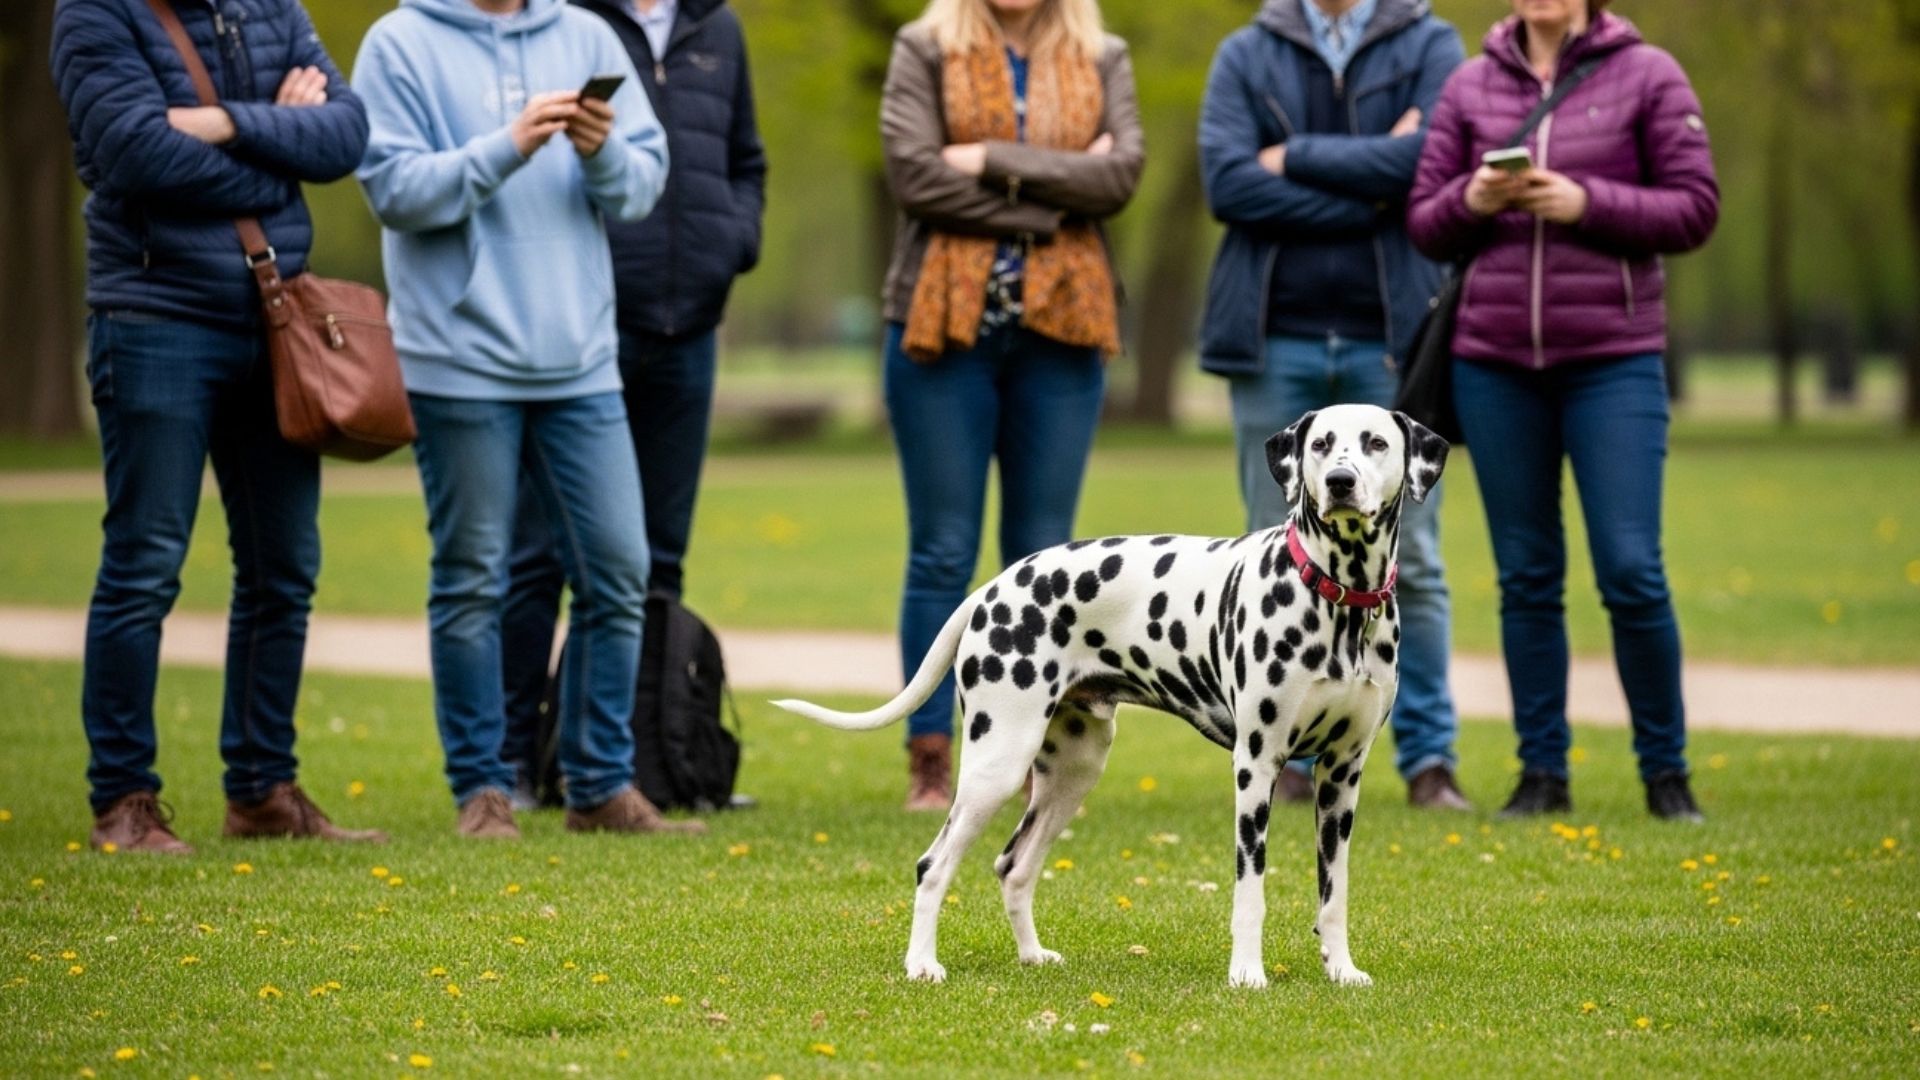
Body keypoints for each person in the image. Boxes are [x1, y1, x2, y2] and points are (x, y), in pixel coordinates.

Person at [353, 0, 703, 837]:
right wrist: (506, 147)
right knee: (474, 577)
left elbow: (643, 183)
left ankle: (599, 786)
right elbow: (393, 191)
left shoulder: (582, 34)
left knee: (620, 569)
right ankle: (482, 787)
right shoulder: (399, 43)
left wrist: (598, 149)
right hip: (458, 360)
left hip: (580, 359)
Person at [51, 0, 386, 853]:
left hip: (274, 318)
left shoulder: (272, 6)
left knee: (284, 568)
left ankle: (263, 790)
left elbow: (346, 136)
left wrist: (221, 123)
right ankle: (124, 802)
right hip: (154, 316)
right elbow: (131, 152)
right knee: (145, 565)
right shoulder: (95, 12)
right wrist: (277, 149)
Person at [1407, 0, 1718, 820]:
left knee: (1630, 569)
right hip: (1494, 364)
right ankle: (1541, 775)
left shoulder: (1649, 74)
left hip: (1613, 361)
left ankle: (1666, 773)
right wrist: (1473, 198)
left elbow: (1695, 207)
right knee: (1527, 576)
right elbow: (1423, 222)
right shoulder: (1471, 85)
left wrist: (1588, 203)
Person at [1197, 0, 1470, 810]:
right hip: (1272, 337)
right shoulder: (1246, 51)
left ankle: (1428, 759)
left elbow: (1428, 167)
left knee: (1410, 559)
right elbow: (1228, 181)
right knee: (1269, 555)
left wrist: (1295, 159)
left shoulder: (1431, 42)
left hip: (1394, 340)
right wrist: (1373, 183)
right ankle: (1280, 754)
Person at [498, 0, 768, 808]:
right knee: (539, 557)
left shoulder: (717, 28)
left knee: (658, 558)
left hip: (691, 330)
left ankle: (645, 757)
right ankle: (512, 763)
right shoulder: (564, 24)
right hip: (585, 331)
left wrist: (733, 240)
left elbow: (747, 160)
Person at [880, 0, 1144, 810]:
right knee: (943, 550)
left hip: (1064, 331)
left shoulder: (1104, 53)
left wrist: (986, 157)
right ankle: (932, 757)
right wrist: (1054, 200)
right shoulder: (923, 47)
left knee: (1045, 556)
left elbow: (1121, 175)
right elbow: (916, 176)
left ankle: (1030, 752)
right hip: (942, 325)